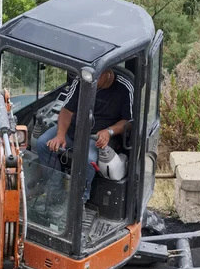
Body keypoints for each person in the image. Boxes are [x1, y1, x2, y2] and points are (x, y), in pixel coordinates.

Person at [36, 67, 133, 205]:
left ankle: (78, 201)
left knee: (88, 159)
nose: (93, 81)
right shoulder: (82, 80)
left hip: (98, 137)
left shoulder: (124, 86)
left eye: (98, 77)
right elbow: (67, 110)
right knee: (42, 143)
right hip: (74, 130)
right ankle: (54, 192)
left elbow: (129, 122)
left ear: (108, 73)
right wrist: (60, 134)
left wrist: (109, 131)